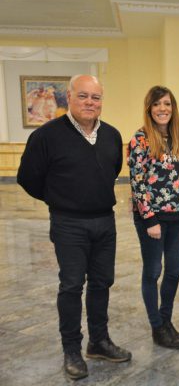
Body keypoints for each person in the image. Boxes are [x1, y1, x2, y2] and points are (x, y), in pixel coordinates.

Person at [17, 74, 131, 380]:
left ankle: (98, 341)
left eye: (96, 97)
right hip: (68, 223)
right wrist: (60, 197)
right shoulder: (46, 136)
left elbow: (112, 169)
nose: (90, 102)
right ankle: (72, 349)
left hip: (104, 221)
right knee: (71, 286)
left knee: (102, 282)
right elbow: (28, 178)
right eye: (83, 96)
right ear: (68, 97)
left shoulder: (111, 135)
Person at [127, 86, 179, 350]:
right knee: (153, 271)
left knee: (175, 269)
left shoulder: (177, 139)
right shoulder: (141, 139)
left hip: (176, 217)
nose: (162, 109)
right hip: (152, 219)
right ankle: (157, 327)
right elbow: (138, 183)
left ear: (173, 108)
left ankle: (166, 322)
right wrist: (149, 220)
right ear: (149, 109)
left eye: (166, 103)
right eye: (156, 104)